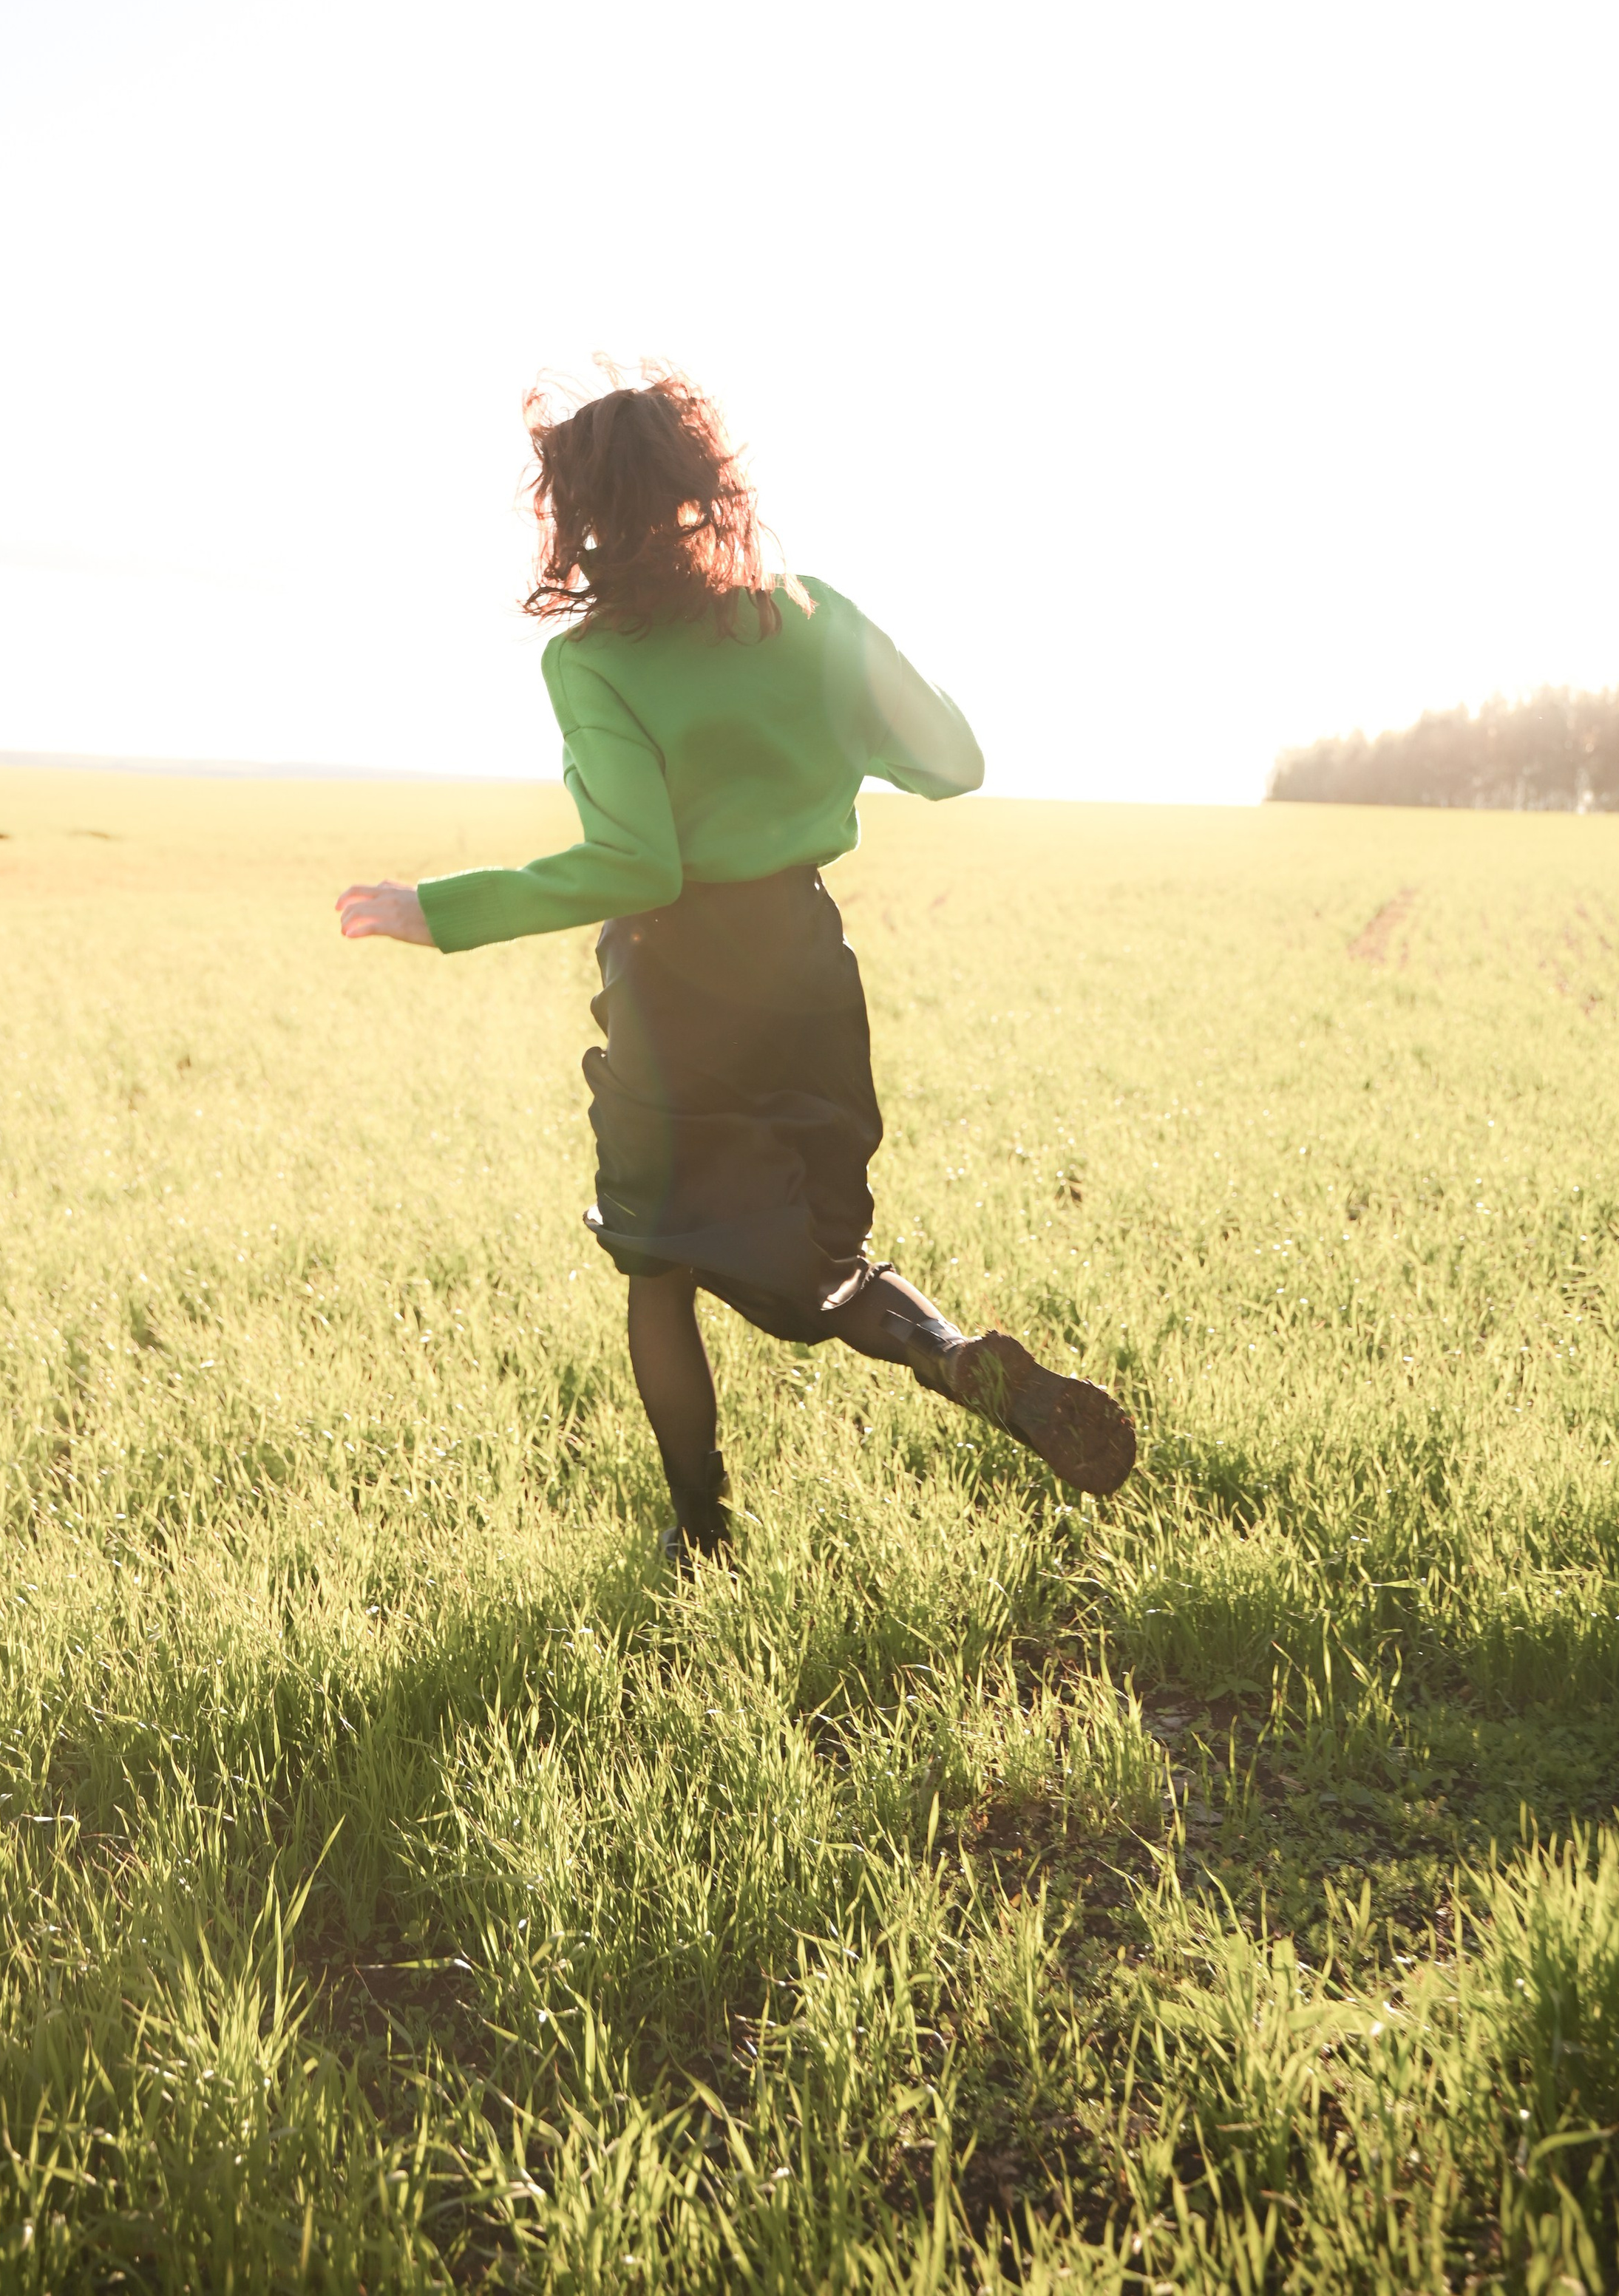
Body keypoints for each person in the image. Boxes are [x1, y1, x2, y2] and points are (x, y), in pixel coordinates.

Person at [338, 372, 1136, 1560]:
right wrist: (819, 709)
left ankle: (702, 1533)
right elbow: (953, 762)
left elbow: (636, 866)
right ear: (706, 488)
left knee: (657, 1263)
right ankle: (952, 1355)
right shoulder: (813, 612)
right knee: (828, 1253)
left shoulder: (594, 662)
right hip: (808, 967)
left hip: (677, 990)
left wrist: (434, 909)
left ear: (585, 515)